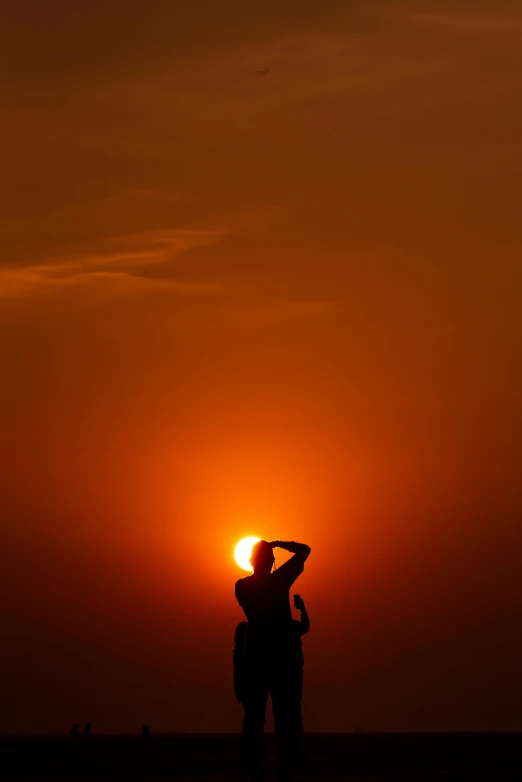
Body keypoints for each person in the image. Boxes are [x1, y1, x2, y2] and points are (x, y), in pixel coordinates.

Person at [235, 539, 311, 781]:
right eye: (269, 557)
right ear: (269, 560)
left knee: (255, 716)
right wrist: (280, 543)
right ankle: (284, 765)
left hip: (256, 656)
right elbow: (305, 551)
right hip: (278, 657)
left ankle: (253, 764)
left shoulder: (242, 587)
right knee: (283, 714)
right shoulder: (278, 582)